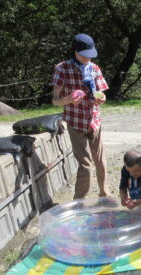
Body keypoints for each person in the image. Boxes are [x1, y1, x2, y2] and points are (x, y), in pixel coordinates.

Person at [51, 33, 110, 199]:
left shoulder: (94, 68)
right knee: (85, 165)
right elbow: (55, 101)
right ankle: (79, 202)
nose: (87, 59)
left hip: (94, 121)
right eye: (84, 55)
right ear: (75, 51)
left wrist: (102, 98)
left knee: (101, 161)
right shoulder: (62, 69)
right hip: (75, 122)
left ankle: (105, 196)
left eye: (90, 55)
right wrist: (69, 99)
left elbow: (101, 93)